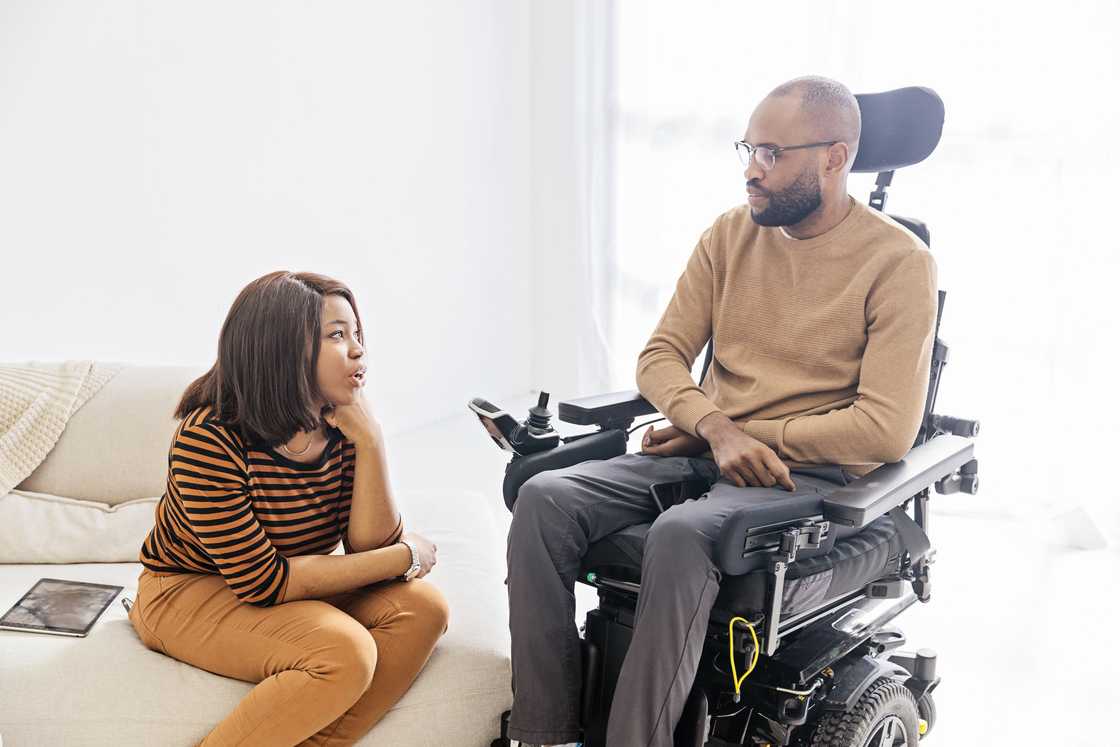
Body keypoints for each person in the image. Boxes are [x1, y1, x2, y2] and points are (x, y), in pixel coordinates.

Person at [505, 76, 938, 746]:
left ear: (834, 157)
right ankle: (545, 732)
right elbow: (659, 358)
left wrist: (741, 431)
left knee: (682, 536)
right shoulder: (732, 234)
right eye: (749, 149)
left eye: (771, 154)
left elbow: (884, 428)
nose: (751, 172)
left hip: (812, 481)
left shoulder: (898, 263)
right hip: (707, 447)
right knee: (544, 499)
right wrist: (713, 426)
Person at [128, 270, 449, 746]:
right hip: (187, 591)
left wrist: (372, 441)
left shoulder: (342, 421)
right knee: (343, 651)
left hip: (281, 587)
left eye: (357, 333)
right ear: (282, 349)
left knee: (423, 608)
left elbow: (367, 545)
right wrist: (407, 557)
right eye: (337, 335)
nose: (358, 349)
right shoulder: (209, 437)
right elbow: (264, 582)